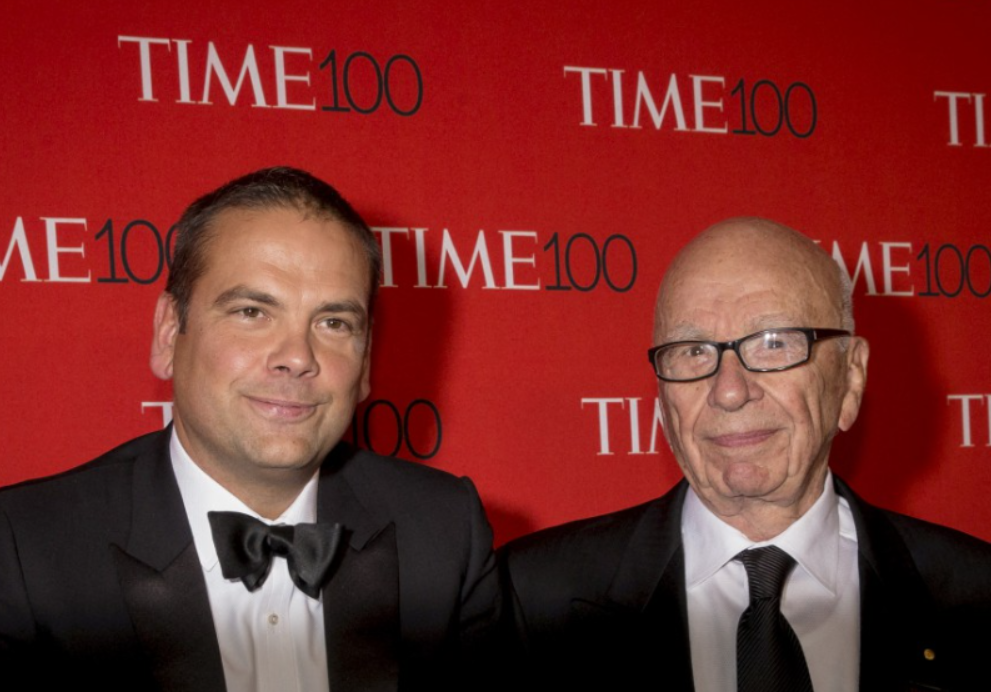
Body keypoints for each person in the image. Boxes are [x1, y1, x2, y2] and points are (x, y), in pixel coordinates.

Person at [0, 167, 500, 691]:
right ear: (170, 334)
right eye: (252, 311)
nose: (297, 357)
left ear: (366, 362)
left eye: (334, 323)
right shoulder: (24, 551)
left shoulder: (445, 534)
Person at [500, 218, 991, 691]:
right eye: (692, 350)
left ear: (850, 378)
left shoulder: (975, 595)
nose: (729, 391)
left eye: (774, 343)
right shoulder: (525, 601)